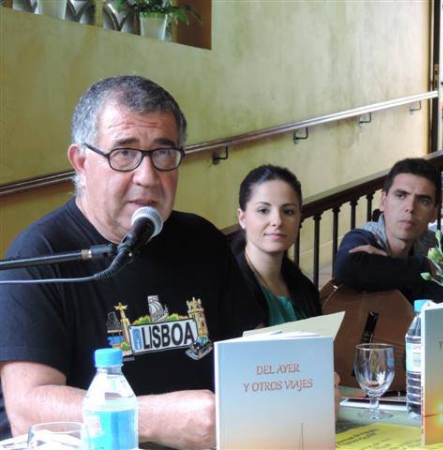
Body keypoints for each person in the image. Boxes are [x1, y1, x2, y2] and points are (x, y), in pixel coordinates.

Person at [0, 76, 264, 449]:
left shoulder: (202, 240)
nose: (147, 176)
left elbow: (255, 353)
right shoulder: (40, 254)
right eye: (124, 153)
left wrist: (297, 383)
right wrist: (152, 419)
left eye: (163, 153)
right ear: (81, 162)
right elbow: (27, 409)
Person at [333, 157, 443, 304]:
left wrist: (385, 266)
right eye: (401, 196)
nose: (410, 208)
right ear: (383, 202)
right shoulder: (363, 237)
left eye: (423, 201)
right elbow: (347, 268)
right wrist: (428, 267)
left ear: (434, 212)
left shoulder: (435, 244)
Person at [233, 165, 322, 325]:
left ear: (299, 218)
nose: (277, 221)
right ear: (242, 218)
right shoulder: (232, 289)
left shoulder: (303, 285)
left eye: (288, 211)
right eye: (263, 210)